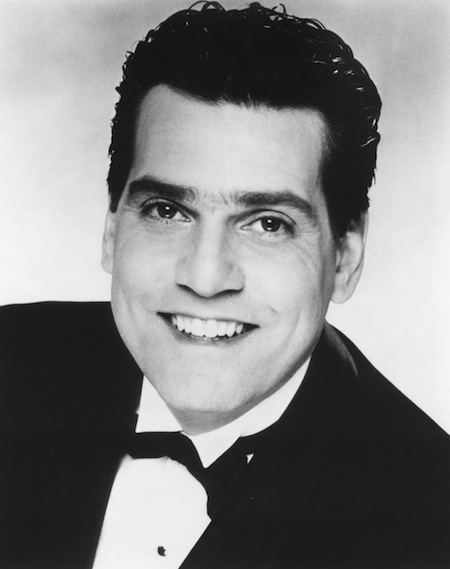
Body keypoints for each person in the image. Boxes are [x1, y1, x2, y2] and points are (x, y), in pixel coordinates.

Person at [1, 2, 449, 568]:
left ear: (345, 257)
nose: (205, 277)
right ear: (112, 228)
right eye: (167, 211)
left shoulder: (429, 519)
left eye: (268, 224)